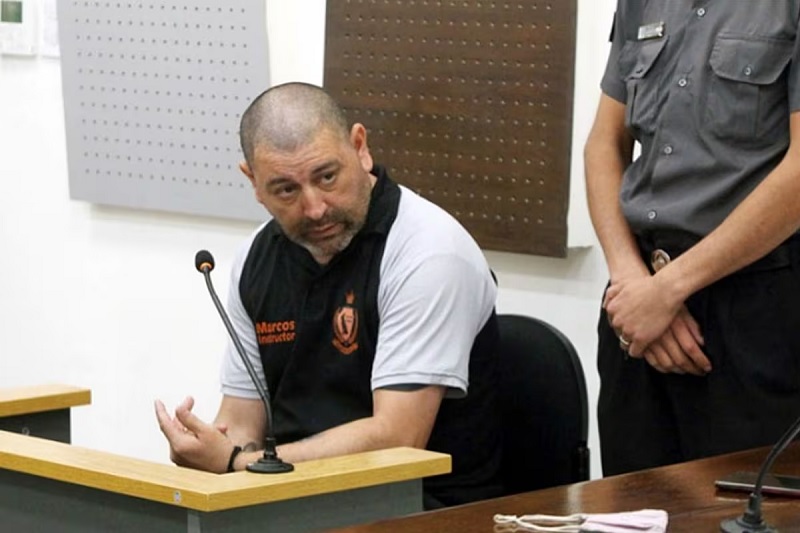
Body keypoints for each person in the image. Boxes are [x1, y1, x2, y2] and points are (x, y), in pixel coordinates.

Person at [155, 82, 502, 508]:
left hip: (418, 507)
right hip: (291, 496)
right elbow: (241, 423)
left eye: (327, 177)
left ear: (360, 147)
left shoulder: (428, 252)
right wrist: (211, 449)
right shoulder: (256, 258)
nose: (315, 208)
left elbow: (398, 439)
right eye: (286, 189)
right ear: (253, 182)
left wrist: (240, 465)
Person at [585, 1, 800, 476]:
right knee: (629, 501)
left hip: (752, 306)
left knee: (744, 502)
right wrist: (630, 279)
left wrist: (667, 291)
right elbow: (604, 143)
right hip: (636, 300)